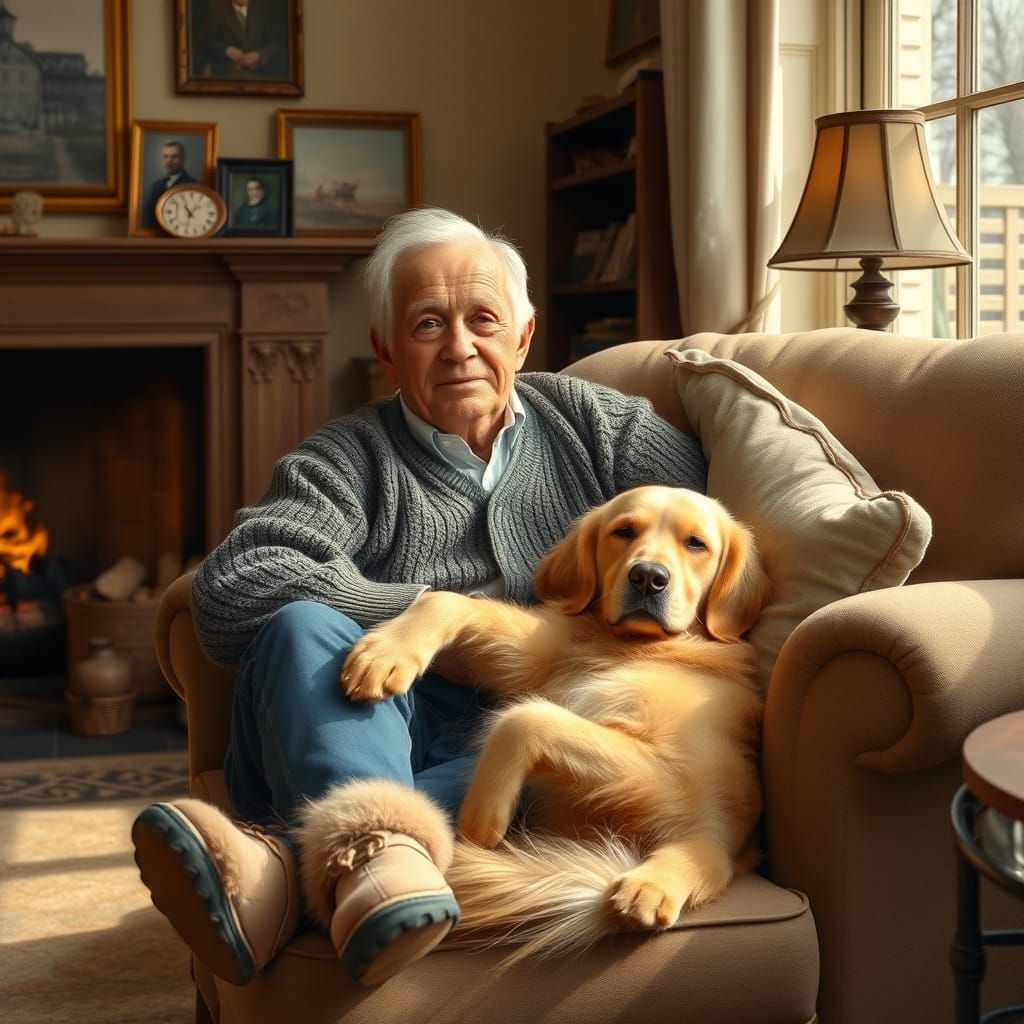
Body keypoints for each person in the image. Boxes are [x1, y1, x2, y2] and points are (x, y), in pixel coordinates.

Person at [131, 207, 708, 988]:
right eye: (429, 323)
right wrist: (434, 621)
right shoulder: (348, 459)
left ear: (524, 337)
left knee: (534, 742)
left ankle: (290, 885)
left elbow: (723, 529)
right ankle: (377, 863)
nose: (461, 347)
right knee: (302, 626)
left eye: (482, 320)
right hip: (368, 719)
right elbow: (234, 592)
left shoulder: (602, 428)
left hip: (534, 746)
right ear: (386, 349)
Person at [200, 0, 280, 78]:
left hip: (256, 76)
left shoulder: (261, 12)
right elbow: (206, 42)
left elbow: (273, 44)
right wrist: (226, 50)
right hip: (227, 75)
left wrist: (259, 55)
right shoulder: (218, 12)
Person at [143, 141, 196, 229]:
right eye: (166, 157)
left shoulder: (192, 185)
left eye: (174, 157)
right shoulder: (156, 185)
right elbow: (148, 216)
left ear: (183, 159)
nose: (169, 161)